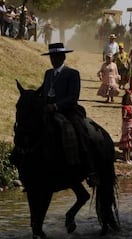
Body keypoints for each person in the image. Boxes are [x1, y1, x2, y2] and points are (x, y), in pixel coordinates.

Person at [38, 43, 97, 186]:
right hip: (48, 109)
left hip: (68, 110)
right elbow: (43, 91)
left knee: (78, 128)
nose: (54, 60)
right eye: (52, 57)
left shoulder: (72, 73)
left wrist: (56, 106)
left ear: (63, 57)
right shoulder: (48, 73)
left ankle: (90, 168)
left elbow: (73, 97)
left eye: (57, 57)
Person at [119, 90, 132, 164]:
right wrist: (131, 116)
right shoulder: (125, 107)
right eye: (131, 98)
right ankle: (126, 158)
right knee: (126, 141)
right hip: (127, 125)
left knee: (131, 142)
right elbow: (124, 117)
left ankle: (129, 158)